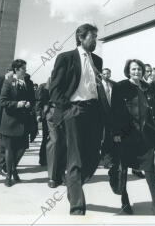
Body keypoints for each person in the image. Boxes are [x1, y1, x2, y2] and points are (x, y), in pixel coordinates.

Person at [49, 23, 104, 215]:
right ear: (81, 38)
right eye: (92, 37)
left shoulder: (98, 60)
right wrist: (67, 109)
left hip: (94, 113)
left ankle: (73, 187)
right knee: (76, 158)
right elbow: (54, 88)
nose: (95, 40)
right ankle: (78, 207)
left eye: (96, 37)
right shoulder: (66, 58)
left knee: (94, 156)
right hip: (74, 111)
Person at [111, 59, 155, 215]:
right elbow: (114, 111)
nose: (137, 72)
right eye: (133, 69)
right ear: (128, 71)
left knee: (149, 169)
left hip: (146, 135)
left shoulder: (150, 87)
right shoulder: (120, 87)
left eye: (139, 69)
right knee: (123, 169)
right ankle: (124, 200)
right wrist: (116, 133)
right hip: (126, 135)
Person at [0, 59, 35, 187]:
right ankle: (9, 175)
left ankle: (13, 169)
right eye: (23, 69)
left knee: (22, 148)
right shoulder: (8, 82)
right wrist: (17, 104)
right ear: (16, 70)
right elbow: (2, 101)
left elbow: (33, 99)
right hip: (10, 122)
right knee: (10, 149)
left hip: (24, 122)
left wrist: (30, 104)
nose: (25, 71)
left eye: (25, 68)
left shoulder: (29, 83)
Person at [99, 68, 115, 169]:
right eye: (104, 74)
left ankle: (107, 160)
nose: (106, 75)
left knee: (109, 138)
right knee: (100, 138)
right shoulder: (98, 85)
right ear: (101, 75)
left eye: (108, 73)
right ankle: (100, 158)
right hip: (101, 115)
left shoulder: (113, 85)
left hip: (111, 115)